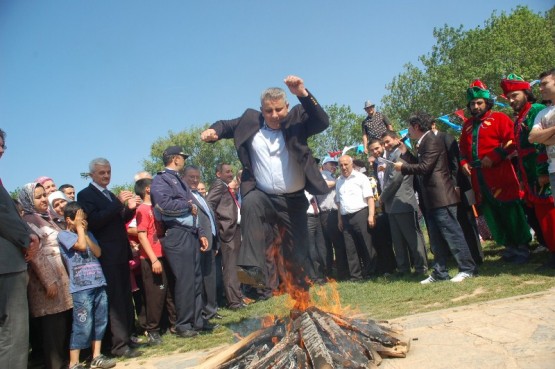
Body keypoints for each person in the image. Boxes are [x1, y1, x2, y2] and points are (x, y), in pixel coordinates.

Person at [200, 75, 330, 305]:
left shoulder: (298, 118)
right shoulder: (250, 120)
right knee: (250, 203)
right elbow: (226, 125)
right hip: (264, 196)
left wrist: (302, 92)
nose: (275, 115)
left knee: (298, 250)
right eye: (269, 111)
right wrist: (213, 131)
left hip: (293, 200)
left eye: (279, 109)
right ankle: (251, 281)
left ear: (287, 106)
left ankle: (301, 298)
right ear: (262, 110)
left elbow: (322, 121)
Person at [394, 112, 477, 284]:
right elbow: (421, 163)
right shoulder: (423, 140)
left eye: (409, 127)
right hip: (431, 197)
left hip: (441, 195)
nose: (408, 131)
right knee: (436, 237)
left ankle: (467, 268)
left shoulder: (431, 139)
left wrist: (403, 168)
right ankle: (440, 271)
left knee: (452, 233)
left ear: (417, 126)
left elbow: (425, 167)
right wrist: (405, 152)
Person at [459, 80, 531, 264]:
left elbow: (511, 141)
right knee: (491, 212)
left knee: (510, 209)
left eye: (479, 103)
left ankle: (522, 247)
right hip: (478, 177)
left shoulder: (500, 118)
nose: (475, 106)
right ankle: (508, 247)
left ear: (487, 103)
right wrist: (464, 162)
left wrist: (495, 155)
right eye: (472, 104)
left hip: (500, 173)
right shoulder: (467, 125)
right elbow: (462, 151)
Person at [77, 158, 140, 358]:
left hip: (121, 253)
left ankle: (128, 337)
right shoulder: (85, 194)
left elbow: (117, 219)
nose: (106, 176)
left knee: (125, 297)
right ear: (92, 174)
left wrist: (128, 209)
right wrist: (117, 204)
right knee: (115, 300)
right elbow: (94, 221)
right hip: (107, 255)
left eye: (108, 172)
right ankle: (118, 346)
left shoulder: (109, 194)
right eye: (102, 173)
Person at [150, 146, 211, 338]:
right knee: (185, 280)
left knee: (195, 279)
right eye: (182, 157)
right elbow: (162, 206)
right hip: (177, 234)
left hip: (190, 233)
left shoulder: (179, 180)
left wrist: (200, 232)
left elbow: (193, 211)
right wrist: (187, 205)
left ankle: (197, 321)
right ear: (175, 159)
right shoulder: (161, 180)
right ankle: (183, 325)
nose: (184, 160)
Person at [19, 182, 73, 369]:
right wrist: (48, 281)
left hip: (61, 277)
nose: (44, 199)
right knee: (52, 329)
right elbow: (36, 254)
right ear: (28, 200)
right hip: (45, 284)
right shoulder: (28, 221)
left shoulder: (46, 218)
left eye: (44, 195)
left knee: (61, 326)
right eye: (39, 196)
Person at [58, 202, 116, 369]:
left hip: (98, 281)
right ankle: (74, 362)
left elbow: (97, 252)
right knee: (83, 323)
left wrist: (86, 233)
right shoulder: (64, 235)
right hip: (81, 287)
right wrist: (80, 230)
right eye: (79, 218)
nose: (83, 221)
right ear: (69, 220)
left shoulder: (88, 233)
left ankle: (96, 355)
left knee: (100, 320)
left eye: (84, 218)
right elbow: (81, 247)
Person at [0, 129, 39, 369]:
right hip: (5, 265)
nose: (1, 149)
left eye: (3, 145)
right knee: (13, 332)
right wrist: (28, 237)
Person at [431, 121, 483, 265]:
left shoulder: (446, 137)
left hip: (458, 186)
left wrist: (454, 185)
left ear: (434, 125)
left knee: (466, 220)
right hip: (446, 190)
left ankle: (476, 255)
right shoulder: (428, 142)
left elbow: (455, 163)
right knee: (456, 222)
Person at [134, 178, 177, 345]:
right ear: (148, 189)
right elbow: (142, 235)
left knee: (169, 292)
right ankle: (152, 330)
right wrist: (153, 260)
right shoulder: (142, 210)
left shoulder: (157, 207)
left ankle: (174, 325)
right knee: (155, 295)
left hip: (165, 255)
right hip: (152, 258)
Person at [380, 131, 428, 276]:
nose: (386, 145)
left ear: (396, 139)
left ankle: (421, 268)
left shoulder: (400, 154)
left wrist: (381, 198)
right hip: (392, 206)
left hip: (403, 202)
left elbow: (395, 180)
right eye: (384, 143)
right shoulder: (390, 156)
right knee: (398, 241)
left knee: (413, 238)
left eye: (388, 141)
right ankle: (403, 269)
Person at [182, 165, 221, 319]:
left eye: (197, 177)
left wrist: (215, 241)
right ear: (183, 177)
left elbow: (210, 219)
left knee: (210, 278)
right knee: (200, 280)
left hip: (210, 241)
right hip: (197, 242)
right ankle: (202, 312)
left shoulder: (201, 196)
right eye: (191, 177)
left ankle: (212, 309)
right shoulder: (185, 197)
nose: (195, 180)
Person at [206, 163, 246, 310]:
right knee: (230, 267)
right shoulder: (218, 186)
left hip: (236, 230)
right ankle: (234, 302)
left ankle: (238, 297)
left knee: (236, 266)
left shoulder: (226, 186)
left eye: (231, 172)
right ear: (218, 174)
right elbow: (209, 205)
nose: (230, 174)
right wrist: (221, 225)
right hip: (228, 232)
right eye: (227, 172)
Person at [335, 155, 377, 280]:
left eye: (346, 164)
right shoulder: (339, 181)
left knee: (366, 243)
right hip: (345, 216)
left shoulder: (361, 177)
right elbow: (339, 202)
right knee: (350, 247)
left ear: (351, 164)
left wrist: (371, 215)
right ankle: (356, 275)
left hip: (361, 214)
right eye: (341, 165)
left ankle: (371, 272)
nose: (343, 167)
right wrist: (339, 219)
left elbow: (370, 198)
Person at [529, 68, 555, 268]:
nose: (541, 88)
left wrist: (545, 135)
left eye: (545, 83)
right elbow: (532, 138)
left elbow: (540, 136)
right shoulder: (543, 112)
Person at [316, 156, 349, 280]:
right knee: (336, 244)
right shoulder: (323, 175)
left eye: (335, 164)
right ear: (324, 165)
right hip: (328, 213)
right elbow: (323, 185)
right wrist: (339, 181)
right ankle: (340, 273)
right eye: (331, 164)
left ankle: (333, 272)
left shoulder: (332, 176)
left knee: (330, 245)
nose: (334, 166)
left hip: (333, 213)